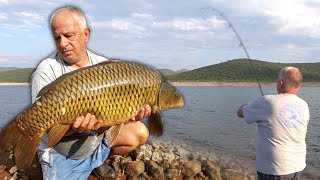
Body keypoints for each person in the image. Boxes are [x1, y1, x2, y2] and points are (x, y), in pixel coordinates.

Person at [31, 6, 151, 179]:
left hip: (95, 139)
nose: (63, 44)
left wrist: (128, 114)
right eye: (57, 38)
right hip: (61, 152)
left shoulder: (105, 66)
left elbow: (112, 115)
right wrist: (73, 127)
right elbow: (47, 131)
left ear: (86, 34)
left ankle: (97, 161)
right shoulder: (46, 71)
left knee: (139, 132)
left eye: (69, 35)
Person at [237, 67, 309, 180]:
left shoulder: (267, 101)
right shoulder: (304, 105)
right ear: (298, 85)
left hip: (274, 170)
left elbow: (240, 112)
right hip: (298, 165)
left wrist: (249, 105)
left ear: (280, 83)